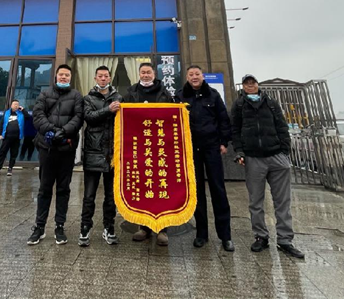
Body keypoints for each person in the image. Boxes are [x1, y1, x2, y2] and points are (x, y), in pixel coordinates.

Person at [232, 74, 304, 259]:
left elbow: (282, 126)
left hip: (276, 156)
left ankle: (285, 239)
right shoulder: (239, 105)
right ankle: (261, 236)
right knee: (255, 201)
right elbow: (235, 130)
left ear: (257, 85)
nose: (250, 86)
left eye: (253, 83)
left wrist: (285, 151)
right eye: (247, 84)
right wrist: (240, 152)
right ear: (243, 87)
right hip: (253, 158)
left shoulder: (271, 103)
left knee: (282, 201)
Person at [175, 65, 234, 252]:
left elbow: (223, 120)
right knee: (197, 191)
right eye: (191, 74)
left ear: (202, 76)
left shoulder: (213, 95)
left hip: (212, 147)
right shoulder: (179, 96)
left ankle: (225, 236)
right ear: (187, 77)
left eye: (197, 74)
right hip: (191, 150)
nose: (194, 77)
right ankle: (201, 234)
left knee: (218, 190)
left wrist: (224, 142)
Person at [27, 64, 84, 246]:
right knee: (44, 188)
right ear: (56, 76)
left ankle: (60, 226)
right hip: (47, 148)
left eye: (67, 75)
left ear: (70, 77)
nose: (64, 77)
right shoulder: (44, 94)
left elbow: (78, 118)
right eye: (61, 74)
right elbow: (38, 116)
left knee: (63, 189)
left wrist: (64, 132)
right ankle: (39, 227)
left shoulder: (76, 96)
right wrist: (51, 130)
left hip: (66, 149)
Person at [124, 61, 173, 246]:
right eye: (143, 72)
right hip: (139, 147)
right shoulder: (131, 93)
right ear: (139, 74)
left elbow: (172, 117)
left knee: (161, 186)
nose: (145, 75)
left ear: (154, 74)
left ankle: (162, 229)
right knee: (143, 186)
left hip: (160, 147)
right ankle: (144, 227)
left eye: (148, 72)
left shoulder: (165, 93)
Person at [79, 65, 122, 247]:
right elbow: (88, 117)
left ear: (110, 78)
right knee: (89, 195)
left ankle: (109, 228)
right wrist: (108, 110)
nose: (103, 79)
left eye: (106, 76)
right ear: (95, 78)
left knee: (111, 196)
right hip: (93, 151)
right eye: (100, 76)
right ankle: (85, 228)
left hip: (113, 152)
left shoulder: (119, 97)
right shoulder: (88, 98)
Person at [0, 100, 25, 176]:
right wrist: (0, 133)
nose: (16, 106)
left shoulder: (21, 114)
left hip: (16, 138)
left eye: (17, 104)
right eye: (14, 104)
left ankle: (10, 168)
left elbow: (28, 117)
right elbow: (1, 123)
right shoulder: (7, 113)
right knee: (3, 152)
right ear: (11, 105)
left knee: (14, 154)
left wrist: (23, 110)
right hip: (7, 137)